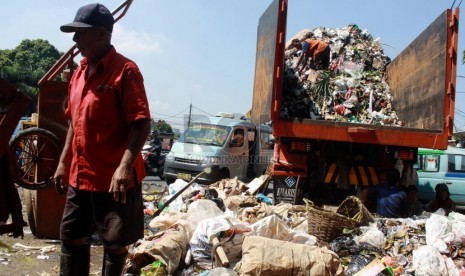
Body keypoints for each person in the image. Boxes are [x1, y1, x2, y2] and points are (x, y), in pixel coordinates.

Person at [52, 3, 151, 275]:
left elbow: (141, 123)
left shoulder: (126, 71)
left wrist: (124, 167)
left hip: (114, 180)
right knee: (71, 236)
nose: (75, 40)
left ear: (101, 34)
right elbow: (74, 122)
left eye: (80, 33)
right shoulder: (78, 74)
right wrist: (63, 163)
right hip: (80, 176)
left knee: (115, 245)